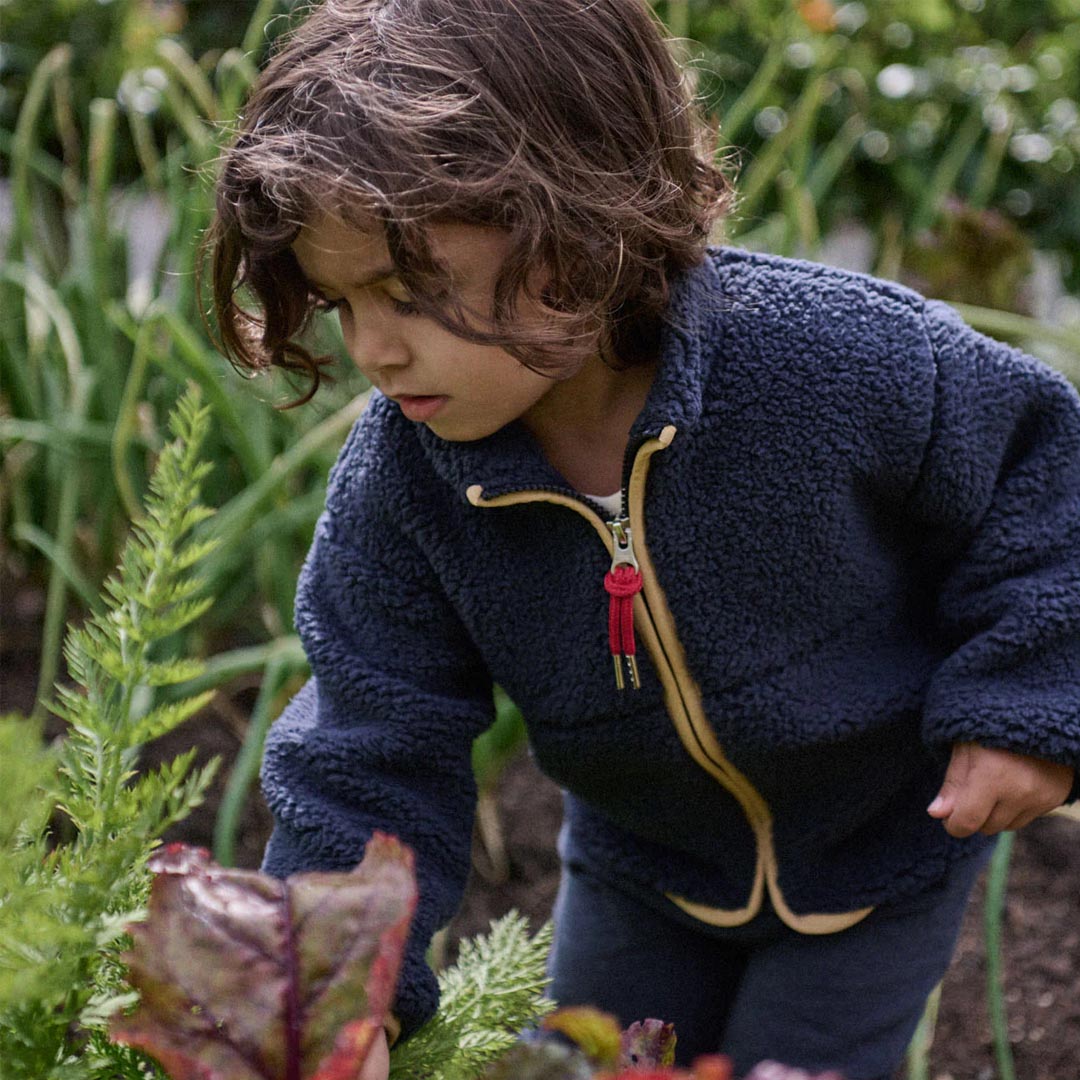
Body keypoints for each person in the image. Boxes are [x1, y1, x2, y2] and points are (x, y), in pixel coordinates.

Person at [206, 2, 1080, 1077]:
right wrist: (341, 998)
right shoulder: (404, 485)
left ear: (577, 220)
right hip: (639, 866)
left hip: (877, 857)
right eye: (340, 302)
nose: (373, 351)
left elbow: (1045, 482)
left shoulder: (841, 362)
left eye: (405, 292)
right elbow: (364, 746)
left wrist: (1033, 703)